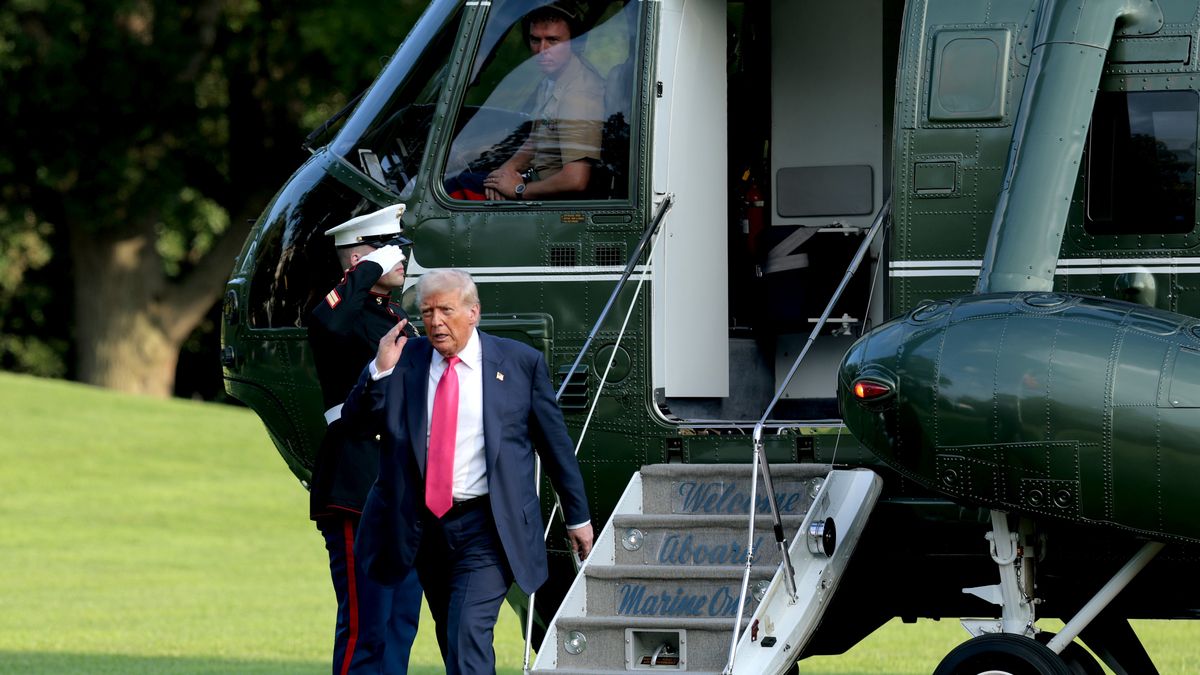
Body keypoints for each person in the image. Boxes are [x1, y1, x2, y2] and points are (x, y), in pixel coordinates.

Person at [342, 268, 595, 675]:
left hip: (488, 526)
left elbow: (555, 446)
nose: (436, 322)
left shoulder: (519, 363)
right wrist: (380, 372)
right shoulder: (403, 359)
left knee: (466, 632)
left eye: (446, 310)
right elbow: (354, 425)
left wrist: (577, 517)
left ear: (473, 312)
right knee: (452, 637)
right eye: (427, 313)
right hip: (423, 528)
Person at [307, 203, 423, 675]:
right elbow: (327, 322)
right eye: (390, 250)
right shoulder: (343, 316)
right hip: (359, 477)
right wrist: (370, 266)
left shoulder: (391, 313)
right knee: (366, 626)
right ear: (360, 263)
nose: (401, 258)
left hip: (403, 483)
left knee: (400, 624)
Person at [482, 1, 604, 200]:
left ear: (574, 42)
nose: (542, 50)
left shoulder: (578, 94)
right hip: (534, 181)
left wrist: (518, 190)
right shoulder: (554, 78)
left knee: (453, 192)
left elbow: (576, 179)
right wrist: (504, 173)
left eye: (553, 41)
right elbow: (537, 137)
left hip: (549, 203)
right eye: (535, 40)